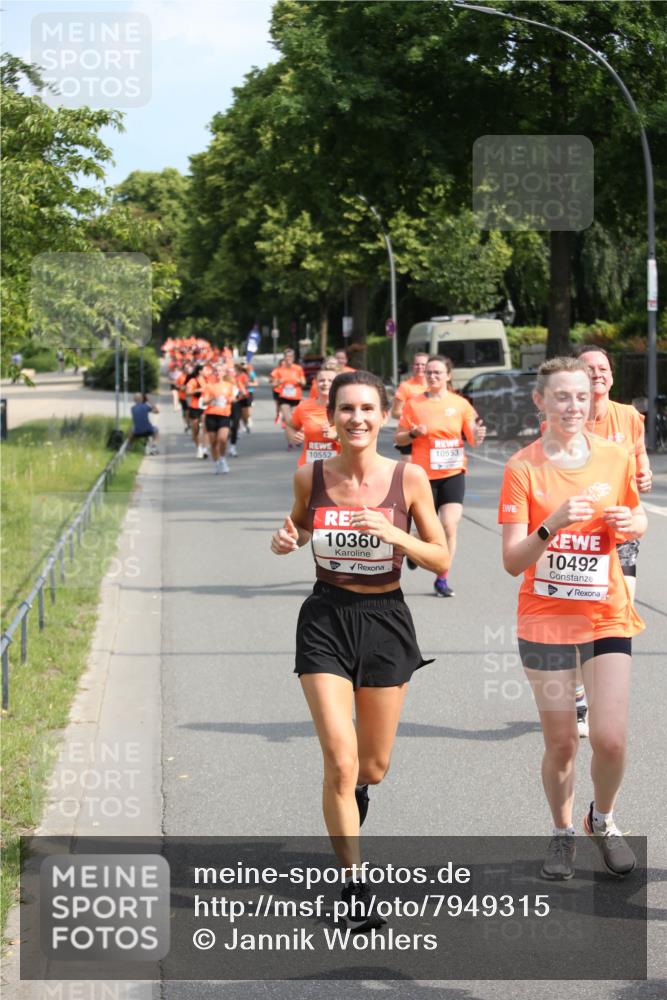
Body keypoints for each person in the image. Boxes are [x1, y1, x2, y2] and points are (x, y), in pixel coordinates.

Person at [271, 370, 449, 927]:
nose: (358, 419)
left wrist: (394, 535)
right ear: (331, 417)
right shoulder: (310, 476)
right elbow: (299, 528)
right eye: (346, 409)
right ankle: (353, 884)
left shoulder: (410, 478)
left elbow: (441, 559)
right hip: (326, 617)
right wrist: (286, 539)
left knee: (374, 764)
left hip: (386, 619)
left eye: (368, 409)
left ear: (384, 416)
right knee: (341, 761)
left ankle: (356, 794)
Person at [498, 356, 646, 881]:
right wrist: (552, 524)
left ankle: (601, 820)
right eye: (562, 396)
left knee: (610, 738)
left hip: (606, 614)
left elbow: (635, 516)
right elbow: (513, 560)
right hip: (546, 622)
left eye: (581, 396)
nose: (573, 406)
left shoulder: (616, 455)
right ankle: (561, 831)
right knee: (561, 741)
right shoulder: (523, 468)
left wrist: (635, 521)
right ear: (541, 401)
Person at [395, 355, 485, 596]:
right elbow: (399, 438)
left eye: (438, 372)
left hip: (453, 472)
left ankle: (442, 577)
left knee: (449, 524)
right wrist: (413, 433)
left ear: (448, 375)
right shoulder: (414, 404)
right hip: (424, 477)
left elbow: (474, 439)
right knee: (427, 529)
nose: (432, 376)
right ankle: (417, 543)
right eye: (429, 372)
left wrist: (479, 434)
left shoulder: (461, 404)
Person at [287, 367, 341, 465]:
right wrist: (294, 437)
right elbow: (290, 425)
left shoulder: (345, 407)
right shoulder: (304, 406)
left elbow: (358, 441)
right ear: (315, 382)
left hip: (337, 468)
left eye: (330, 381)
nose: (325, 383)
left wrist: (336, 436)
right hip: (309, 466)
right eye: (321, 380)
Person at [391, 352, 429, 463]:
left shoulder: (435, 386)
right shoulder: (405, 386)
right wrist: (413, 418)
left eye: (423, 364)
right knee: (409, 472)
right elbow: (395, 412)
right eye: (417, 364)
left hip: (430, 433)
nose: (420, 367)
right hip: (410, 433)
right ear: (412, 366)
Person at [271, 348, 306, 446]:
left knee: (295, 420)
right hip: (284, 397)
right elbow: (273, 385)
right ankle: (291, 440)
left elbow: (304, 382)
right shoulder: (279, 370)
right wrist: (278, 382)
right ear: (284, 358)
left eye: (290, 356)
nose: (288, 358)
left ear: (293, 358)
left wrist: (300, 381)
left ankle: (297, 437)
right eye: (287, 356)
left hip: (295, 397)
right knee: (287, 419)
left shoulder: (298, 369)